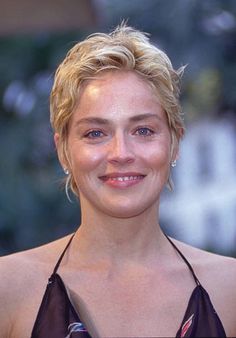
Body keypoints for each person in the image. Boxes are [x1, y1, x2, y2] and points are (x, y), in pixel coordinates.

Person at [0, 23, 235, 338]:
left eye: (143, 130)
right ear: (63, 150)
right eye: (95, 133)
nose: (121, 153)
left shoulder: (229, 290)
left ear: (175, 143)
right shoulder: (9, 288)